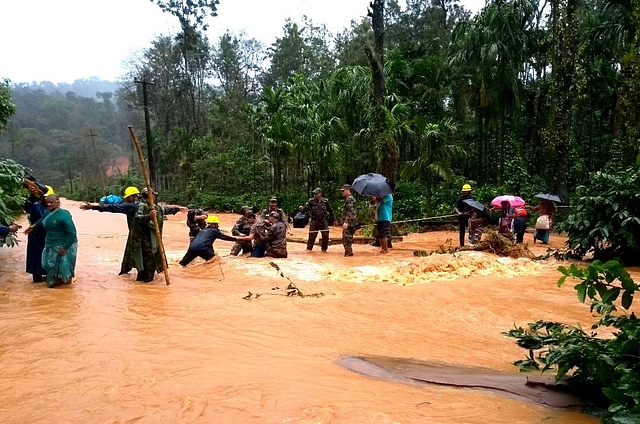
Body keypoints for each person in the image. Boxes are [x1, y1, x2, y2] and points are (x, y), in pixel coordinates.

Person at [80, 186, 141, 275]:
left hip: (136, 236)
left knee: (135, 257)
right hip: (138, 235)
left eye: (128, 197)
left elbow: (112, 207)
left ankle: (131, 272)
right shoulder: (142, 205)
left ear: (134, 196)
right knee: (133, 257)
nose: (127, 199)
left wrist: (94, 207)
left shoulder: (131, 206)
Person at [132, 188, 186, 283]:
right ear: (150, 196)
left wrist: (177, 209)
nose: (154, 197)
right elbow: (137, 218)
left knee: (149, 265)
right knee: (148, 265)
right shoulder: (142, 206)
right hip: (145, 242)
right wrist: (149, 216)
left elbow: (164, 210)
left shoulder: (153, 206)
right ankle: (146, 288)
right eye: (153, 195)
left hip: (153, 241)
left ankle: (142, 288)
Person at [25, 194, 78, 288]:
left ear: (58, 203)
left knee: (65, 267)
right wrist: (34, 226)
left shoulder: (64, 214)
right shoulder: (48, 212)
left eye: (51, 202)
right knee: (50, 264)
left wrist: (65, 247)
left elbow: (72, 232)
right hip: (51, 243)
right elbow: (43, 219)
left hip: (64, 243)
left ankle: (66, 288)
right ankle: (52, 282)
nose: (49, 204)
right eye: (47, 203)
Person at [23, 180, 51, 282]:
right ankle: (38, 278)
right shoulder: (34, 204)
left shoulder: (51, 206)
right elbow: (27, 207)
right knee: (36, 259)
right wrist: (33, 194)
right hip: (36, 235)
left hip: (48, 235)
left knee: (48, 258)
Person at [301, 187, 335, 252]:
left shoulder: (325, 201)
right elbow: (305, 209)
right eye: (314, 194)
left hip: (323, 221)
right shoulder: (311, 201)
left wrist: (334, 220)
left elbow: (331, 210)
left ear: (320, 194)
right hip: (314, 222)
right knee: (312, 237)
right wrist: (301, 209)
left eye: (316, 194)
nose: (315, 195)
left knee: (325, 236)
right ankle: (309, 250)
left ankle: (324, 250)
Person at [340, 184, 357, 257]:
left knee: (346, 239)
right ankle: (348, 253)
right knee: (347, 239)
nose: (342, 193)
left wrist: (346, 222)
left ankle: (349, 254)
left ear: (348, 190)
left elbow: (351, 211)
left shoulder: (350, 199)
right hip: (350, 222)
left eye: (343, 191)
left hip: (350, 223)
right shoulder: (349, 199)